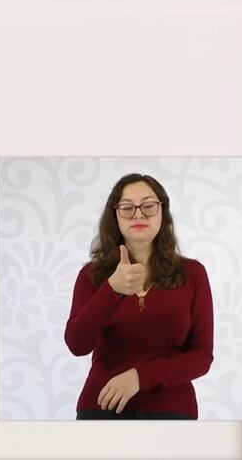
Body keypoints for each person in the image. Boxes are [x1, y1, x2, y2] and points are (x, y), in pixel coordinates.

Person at [64, 173, 213, 419]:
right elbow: (77, 345)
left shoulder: (192, 273)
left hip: (172, 412)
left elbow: (201, 356)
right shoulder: (92, 275)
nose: (138, 214)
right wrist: (112, 289)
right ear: (115, 216)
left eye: (148, 206)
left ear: (162, 212)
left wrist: (139, 377)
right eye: (127, 207)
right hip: (102, 408)